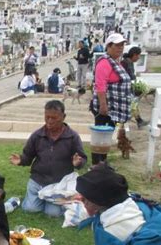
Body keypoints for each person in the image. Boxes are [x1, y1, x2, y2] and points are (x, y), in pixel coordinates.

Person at [10, 100, 87, 217]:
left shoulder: (72, 137)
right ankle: (29, 199)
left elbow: (82, 158)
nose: (49, 121)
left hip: (59, 184)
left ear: (63, 117)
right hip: (38, 180)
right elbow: (28, 156)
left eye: (54, 118)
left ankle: (52, 201)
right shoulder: (37, 135)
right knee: (31, 209)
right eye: (47, 117)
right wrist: (21, 160)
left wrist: (78, 163)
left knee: (53, 213)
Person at [89, 33, 132, 166]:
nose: (120, 48)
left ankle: (103, 161)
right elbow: (100, 85)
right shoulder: (104, 62)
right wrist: (103, 105)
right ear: (109, 46)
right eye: (117, 45)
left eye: (122, 45)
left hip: (114, 107)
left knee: (107, 135)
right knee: (100, 135)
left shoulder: (115, 62)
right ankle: (97, 163)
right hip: (105, 107)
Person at [121, 46, 148, 129]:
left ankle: (139, 120)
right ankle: (137, 121)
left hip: (127, 87)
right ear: (134, 55)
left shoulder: (128, 62)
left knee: (133, 105)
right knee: (132, 105)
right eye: (138, 55)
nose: (139, 57)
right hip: (125, 87)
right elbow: (131, 76)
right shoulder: (127, 62)